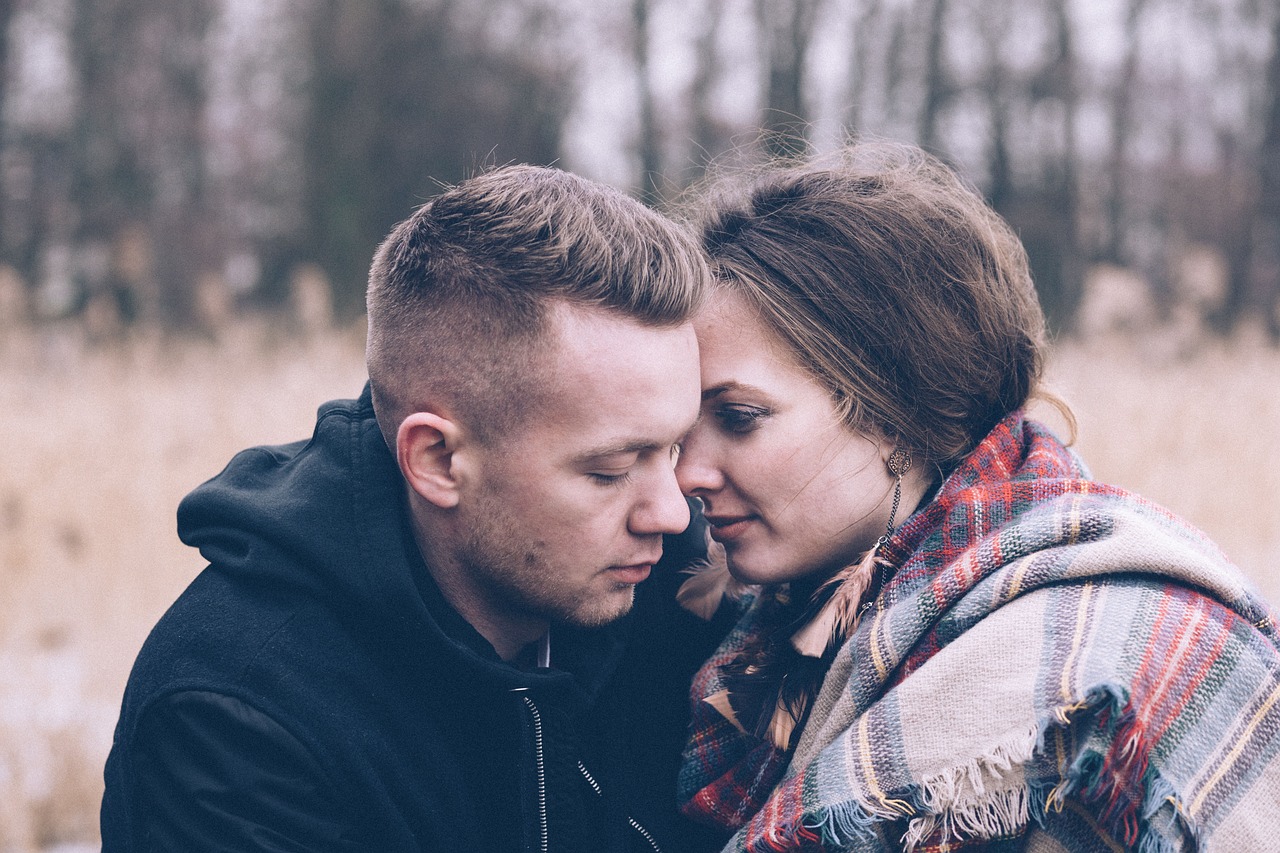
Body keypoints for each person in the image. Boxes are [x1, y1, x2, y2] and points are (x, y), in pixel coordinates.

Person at [101, 164, 732, 852]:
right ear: (437, 459)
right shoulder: (240, 719)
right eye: (609, 470)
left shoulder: (678, 588)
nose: (671, 513)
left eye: (673, 450)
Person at [671, 142, 1280, 852]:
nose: (688, 474)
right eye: (682, 428)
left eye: (739, 418)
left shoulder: (1083, 689)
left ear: (893, 412)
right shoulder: (769, 639)